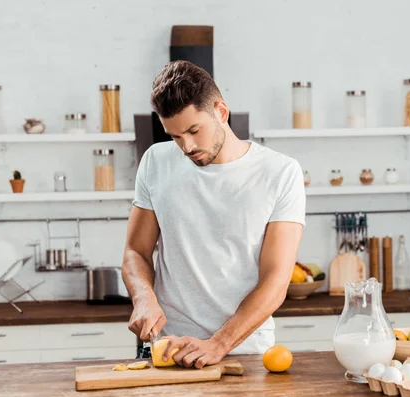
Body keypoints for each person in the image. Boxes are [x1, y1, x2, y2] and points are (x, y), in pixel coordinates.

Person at [122, 60, 306, 369]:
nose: (186, 147)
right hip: (169, 349)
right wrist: (142, 295)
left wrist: (218, 344)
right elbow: (135, 251)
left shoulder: (280, 172)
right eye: (175, 136)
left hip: (246, 352)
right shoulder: (155, 162)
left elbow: (276, 280)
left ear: (221, 111)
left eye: (194, 130)